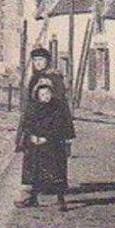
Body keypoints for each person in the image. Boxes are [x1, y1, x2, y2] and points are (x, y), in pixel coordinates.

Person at [17, 76, 76, 210]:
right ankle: (32, 198)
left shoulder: (58, 107)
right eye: (42, 94)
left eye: (48, 93)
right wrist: (32, 136)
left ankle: (61, 200)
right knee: (35, 171)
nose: (46, 97)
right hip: (36, 145)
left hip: (53, 146)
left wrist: (47, 138)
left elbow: (60, 126)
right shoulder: (33, 107)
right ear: (37, 95)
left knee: (56, 173)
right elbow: (27, 124)